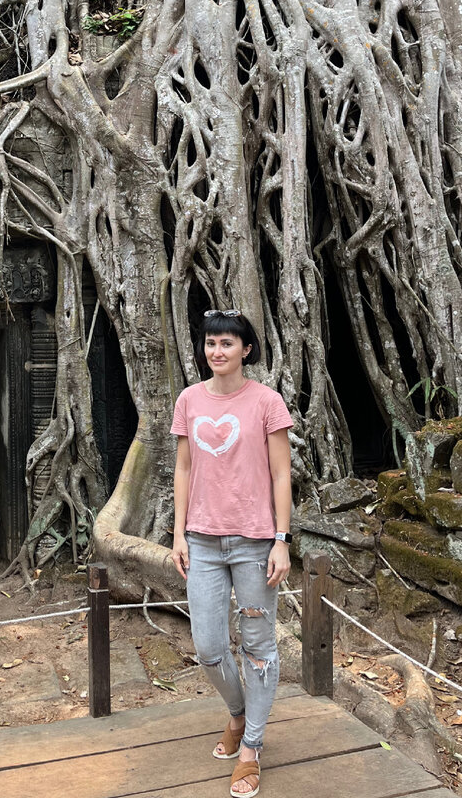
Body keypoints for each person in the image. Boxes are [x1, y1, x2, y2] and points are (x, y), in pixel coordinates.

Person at [170, 310, 293, 798]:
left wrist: (282, 540)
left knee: (258, 646)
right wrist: (178, 534)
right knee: (208, 646)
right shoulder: (189, 400)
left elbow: (282, 474)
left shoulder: (266, 402)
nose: (217, 351)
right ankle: (239, 715)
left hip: (254, 543)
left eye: (227, 343)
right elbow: (183, 469)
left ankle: (252, 747)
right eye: (210, 343)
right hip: (201, 541)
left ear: (246, 349)